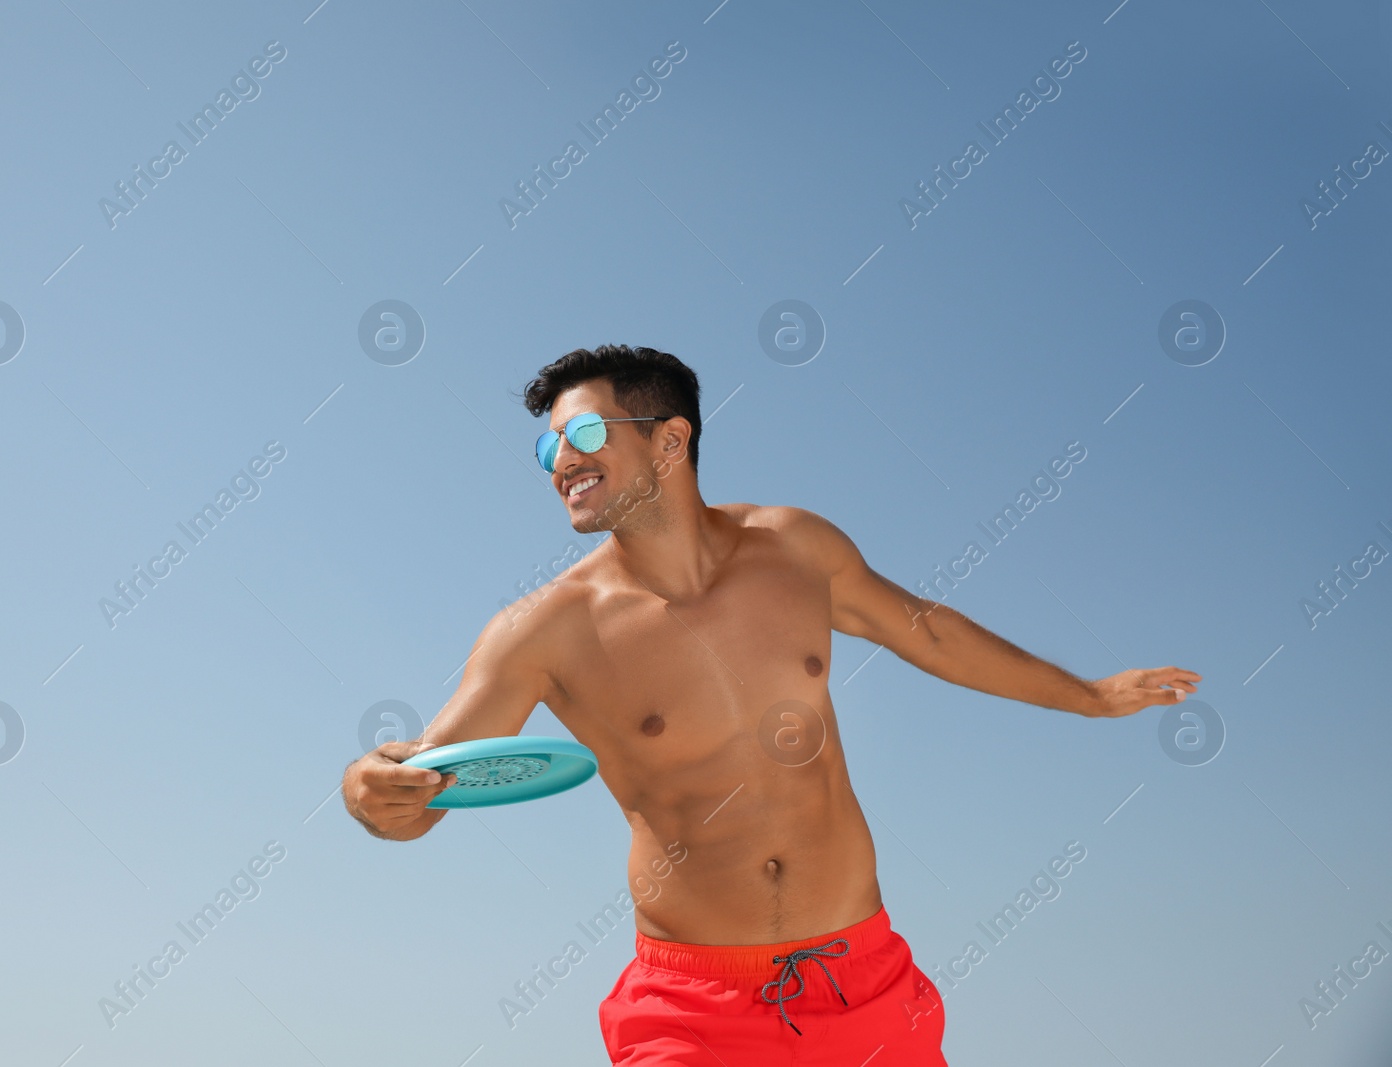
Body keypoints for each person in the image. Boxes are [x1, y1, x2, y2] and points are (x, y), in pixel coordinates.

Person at [341, 344, 1200, 1065]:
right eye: (547, 450)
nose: (561, 462)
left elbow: (929, 636)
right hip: (692, 1007)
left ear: (670, 440)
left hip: (860, 976)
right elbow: (427, 784)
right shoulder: (541, 631)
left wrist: (1087, 695)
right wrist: (367, 789)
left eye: (585, 434)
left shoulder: (796, 548)